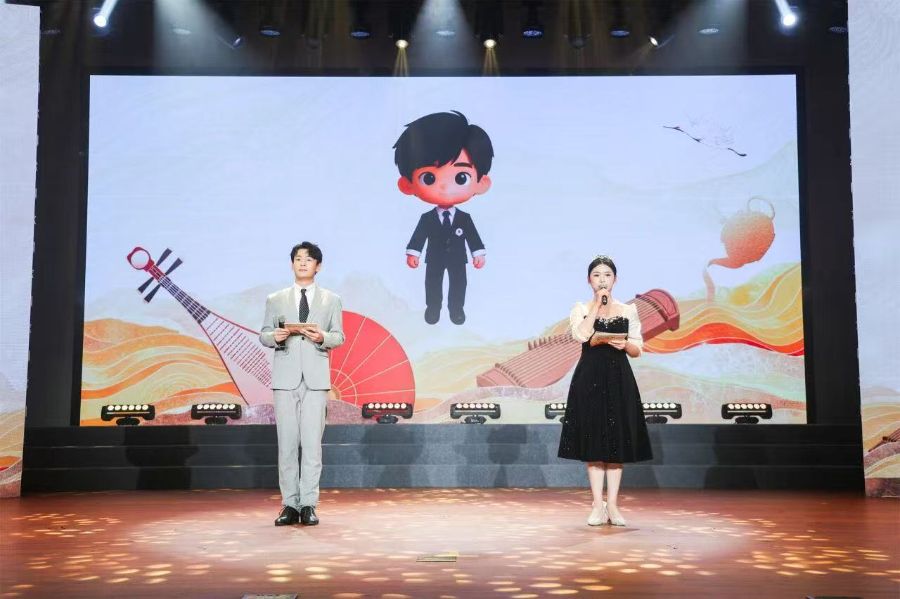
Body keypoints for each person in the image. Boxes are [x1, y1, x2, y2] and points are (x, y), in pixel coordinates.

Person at [558, 255, 653, 527]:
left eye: (607, 275)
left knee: (615, 442)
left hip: (618, 376)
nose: (602, 280)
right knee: (594, 442)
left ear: (615, 280)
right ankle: (597, 505)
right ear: (589, 280)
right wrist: (596, 308)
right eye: (597, 275)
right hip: (589, 377)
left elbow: (637, 348)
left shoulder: (627, 310)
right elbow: (580, 335)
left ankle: (612, 505)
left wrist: (626, 346)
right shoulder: (580, 308)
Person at [259, 241, 345, 527]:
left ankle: (308, 504)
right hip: (285, 380)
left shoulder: (331, 300)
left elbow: (339, 336)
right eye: (298, 259)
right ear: (292, 264)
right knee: (286, 445)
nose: (303, 263)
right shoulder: (276, 299)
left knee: (311, 445)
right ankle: (289, 504)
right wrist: (275, 337)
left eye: (308, 259)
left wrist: (322, 337)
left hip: (316, 380)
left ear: (318, 266)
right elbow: (264, 334)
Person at [393, 110, 494, 325]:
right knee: (433, 282)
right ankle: (433, 308)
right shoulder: (427, 218)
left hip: (458, 258)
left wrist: (478, 253)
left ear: (481, 182)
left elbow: (472, 236)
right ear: (408, 184)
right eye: (429, 177)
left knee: (459, 283)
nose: (445, 187)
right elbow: (419, 236)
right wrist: (413, 252)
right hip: (434, 257)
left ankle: (456, 309)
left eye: (461, 177)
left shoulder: (464, 218)